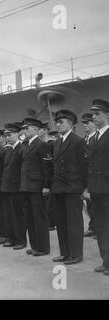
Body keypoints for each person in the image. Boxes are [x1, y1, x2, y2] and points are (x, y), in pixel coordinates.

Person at [51, 110, 88, 265]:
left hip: (73, 189)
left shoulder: (78, 141)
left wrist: (85, 188)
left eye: (62, 122)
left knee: (74, 223)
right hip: (59, 188)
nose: (58, 124)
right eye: (57, 122)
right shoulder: (57, 143)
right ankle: (65, 253)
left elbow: (85, 167)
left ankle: (76, 254)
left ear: (71, 124)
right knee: (61, 222)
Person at [83, 99, 109, 275]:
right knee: (101, 226)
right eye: (93, 114)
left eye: (97, 114)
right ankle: (106, 261)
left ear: (107, 115)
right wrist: (88, 189)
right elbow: (90, 166)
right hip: (97, 189)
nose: (94, 117)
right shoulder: (94, 138)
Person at [20, 118, 51, 257]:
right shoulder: (26, 145)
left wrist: (46, 186)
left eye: (27, 128)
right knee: (30, 218)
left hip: (37, 187)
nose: (24, 131)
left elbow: (47, 168)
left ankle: (43, 247)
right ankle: (34, 246)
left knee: (39, 218)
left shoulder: (42, 145)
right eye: (24, 129)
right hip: (27, 186)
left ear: (36, 130)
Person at [1, 123, 27, 249]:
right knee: (9, 215)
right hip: (7, 187)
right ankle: (11, 238)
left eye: (9, 135)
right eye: (6, 136)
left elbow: (22, 170)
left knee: (18, 215)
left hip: (16, 188)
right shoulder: (9, 150)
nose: (7, 138)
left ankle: (20, 240)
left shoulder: (21, 149)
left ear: (17, 134)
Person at [81, 113, 97, 238]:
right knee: (90, 204)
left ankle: (100, 228)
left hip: (97, 176)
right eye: (84, 123)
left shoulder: (96, 138)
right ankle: (93, 226)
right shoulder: (84, 140)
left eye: (88, 123)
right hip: (87, 176)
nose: (85, 125)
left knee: (99, 204)